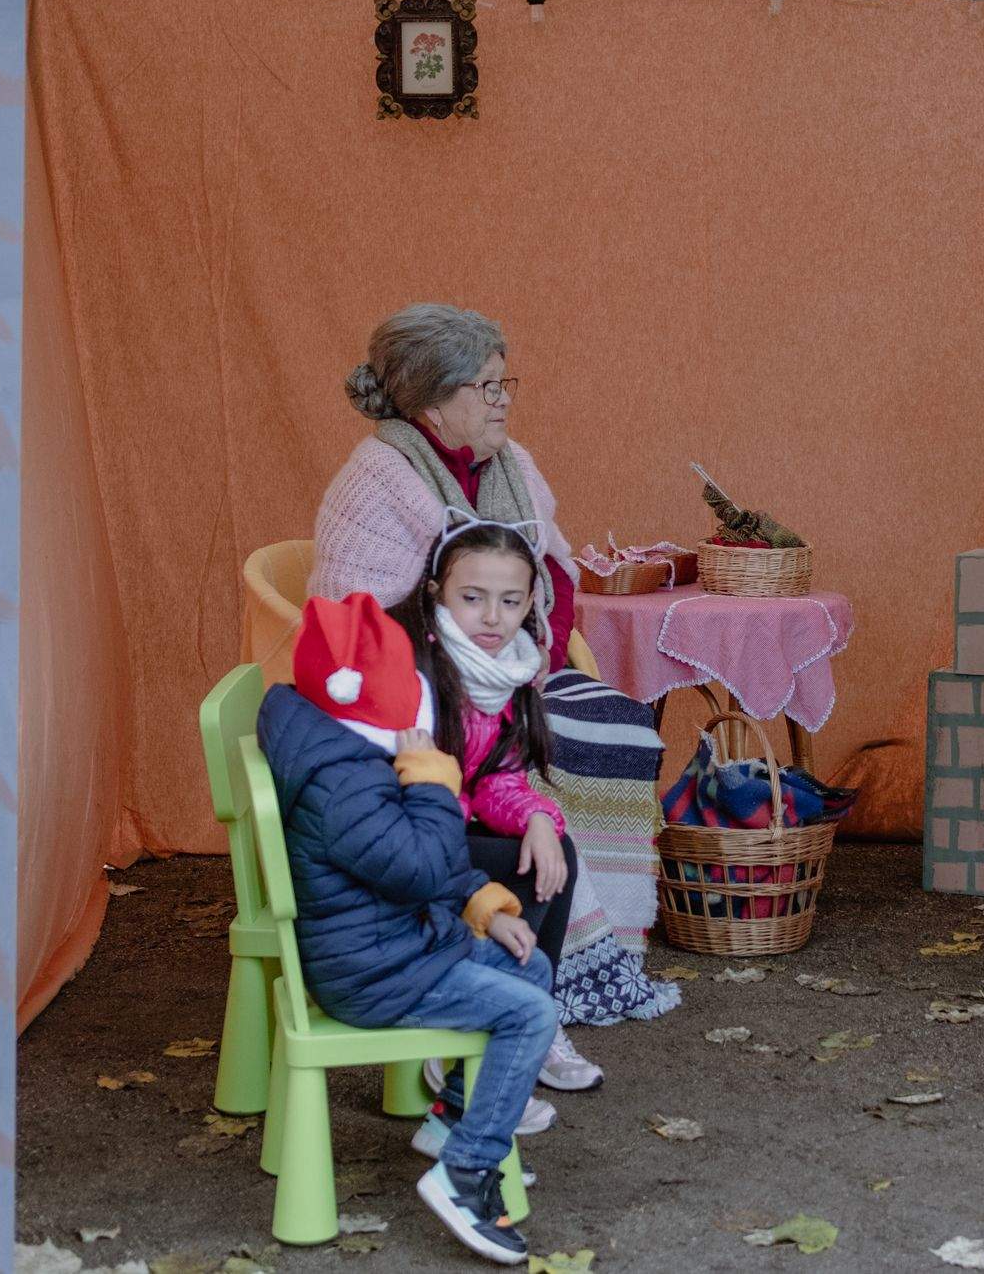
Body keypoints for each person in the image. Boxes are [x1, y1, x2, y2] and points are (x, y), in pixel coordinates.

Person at [313, 303, 679, 1034]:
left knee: (621, 728)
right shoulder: (378, 477)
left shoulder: (513, 465)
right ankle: (529, 971)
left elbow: (557, 575)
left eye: (501, 379)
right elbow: (359, 622)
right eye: (484, 385)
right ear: (430, 400)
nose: (502, 397)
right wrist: (485, 673)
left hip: (514, 665)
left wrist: (533, 664)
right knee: (538, 750)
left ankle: (594, 958)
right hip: (419, 693)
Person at [255, 591, 551, 1266]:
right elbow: (417, 866)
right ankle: (466, 1171)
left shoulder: (346, 758)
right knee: (530, 1014)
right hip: (376, 974)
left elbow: (417, 863)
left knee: (531, 967)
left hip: (394, 946)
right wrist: (435, 788)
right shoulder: (346, 784)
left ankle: (451, 1119)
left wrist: (482, 904)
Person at [391, 514, 600, 1139]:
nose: (491, 618)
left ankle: (528, 1006)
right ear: (436, 593)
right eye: (472, 598)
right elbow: (405, 787)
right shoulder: (419, 677)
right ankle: (468, 1027)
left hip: (450, 837)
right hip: (414, 841)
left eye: (509, 602)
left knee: (550, 848)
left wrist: (536, 814)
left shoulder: (509, 673)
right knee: (527, 859)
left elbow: (495, 779)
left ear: (530, 602)